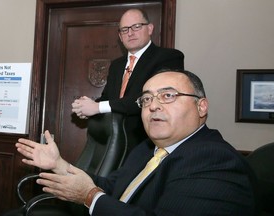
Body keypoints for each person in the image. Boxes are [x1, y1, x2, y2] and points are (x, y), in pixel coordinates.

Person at [16, 69, 256, 215]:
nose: (153, 105)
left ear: (201, 106)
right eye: (146, 99)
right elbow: (110, 187)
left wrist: (89, 197)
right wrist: (59, 164)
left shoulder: (214, 160)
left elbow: (96, 193)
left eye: (168, 95)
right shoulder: (148, 149)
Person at [71, 8, 184, 151]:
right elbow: (108, 98)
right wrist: (85, 106)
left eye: (136, 27)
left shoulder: (168, 57)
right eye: (124, 30)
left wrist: (97, 108)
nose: (130, 33)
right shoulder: (116, 65)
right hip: (115, 145)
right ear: (120, 36)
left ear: (149, 28)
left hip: (149, 144)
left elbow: (148, 100)